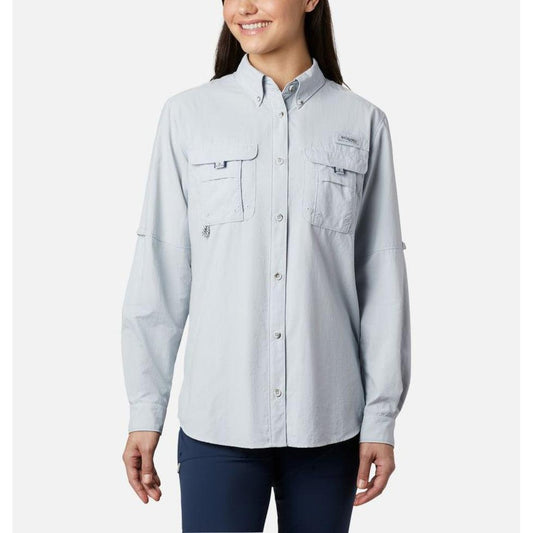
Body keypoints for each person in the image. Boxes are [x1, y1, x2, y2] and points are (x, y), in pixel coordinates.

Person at [121, 0, 411, 531]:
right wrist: (145, 410)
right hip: (218, 423)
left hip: (329, 425)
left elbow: (381, 278)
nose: (244, 7)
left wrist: (381, 419)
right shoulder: (187, 116)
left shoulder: (363, 122)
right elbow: (160, 268)